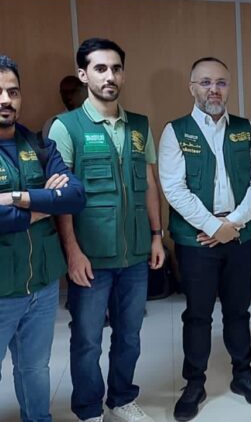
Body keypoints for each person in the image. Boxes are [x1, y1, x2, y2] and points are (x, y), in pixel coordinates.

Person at [48, 38, 165, 422]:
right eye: (100, 68)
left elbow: (148, 184)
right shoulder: (66, 128)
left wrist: (156, 235)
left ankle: (121, 399)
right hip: (91, 258)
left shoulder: (139, 125)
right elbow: (61, 197)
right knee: (86, 340)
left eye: (116, 68)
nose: (109, 76)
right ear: (84, 75)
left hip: (134, 255)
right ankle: (87, 410)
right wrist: (73, 252)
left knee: (129, 335)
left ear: (123, 74)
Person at [159, 57, 251, 421]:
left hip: (239, 236)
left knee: (239, 309)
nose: (214, 90)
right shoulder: (176, 132)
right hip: (197, 241)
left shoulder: (246, 129)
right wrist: (212, 225)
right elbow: (174, 188)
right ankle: (194, 383)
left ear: (229, 87)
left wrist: (232, 223)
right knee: (198, 314)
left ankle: (243, 374)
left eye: (221, 83)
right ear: (192, 87)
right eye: (205, 82)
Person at [0, 54, 85, 422]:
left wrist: (17, 199)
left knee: (35, 368)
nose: (6, 100)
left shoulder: (37, 144)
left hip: (43, 286)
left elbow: (75, 196)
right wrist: (45, 204)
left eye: (13, 91)